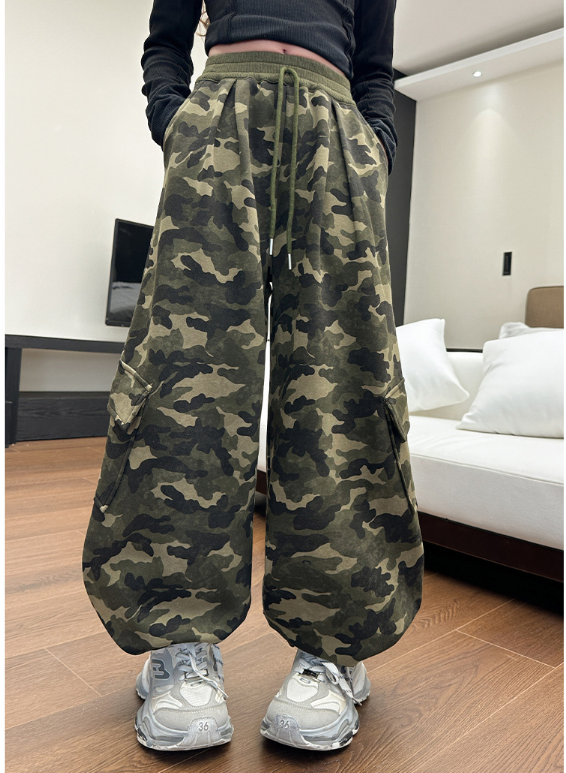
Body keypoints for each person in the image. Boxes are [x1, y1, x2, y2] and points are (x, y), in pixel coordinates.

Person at [81, 0, 424, 753]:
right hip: (219, 123)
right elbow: (166, 43)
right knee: (183, 382)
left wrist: (373, 148)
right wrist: (179, 123)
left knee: (343, 386)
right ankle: (179, 638)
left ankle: (334, 643)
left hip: (337, 135)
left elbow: (375, 66)